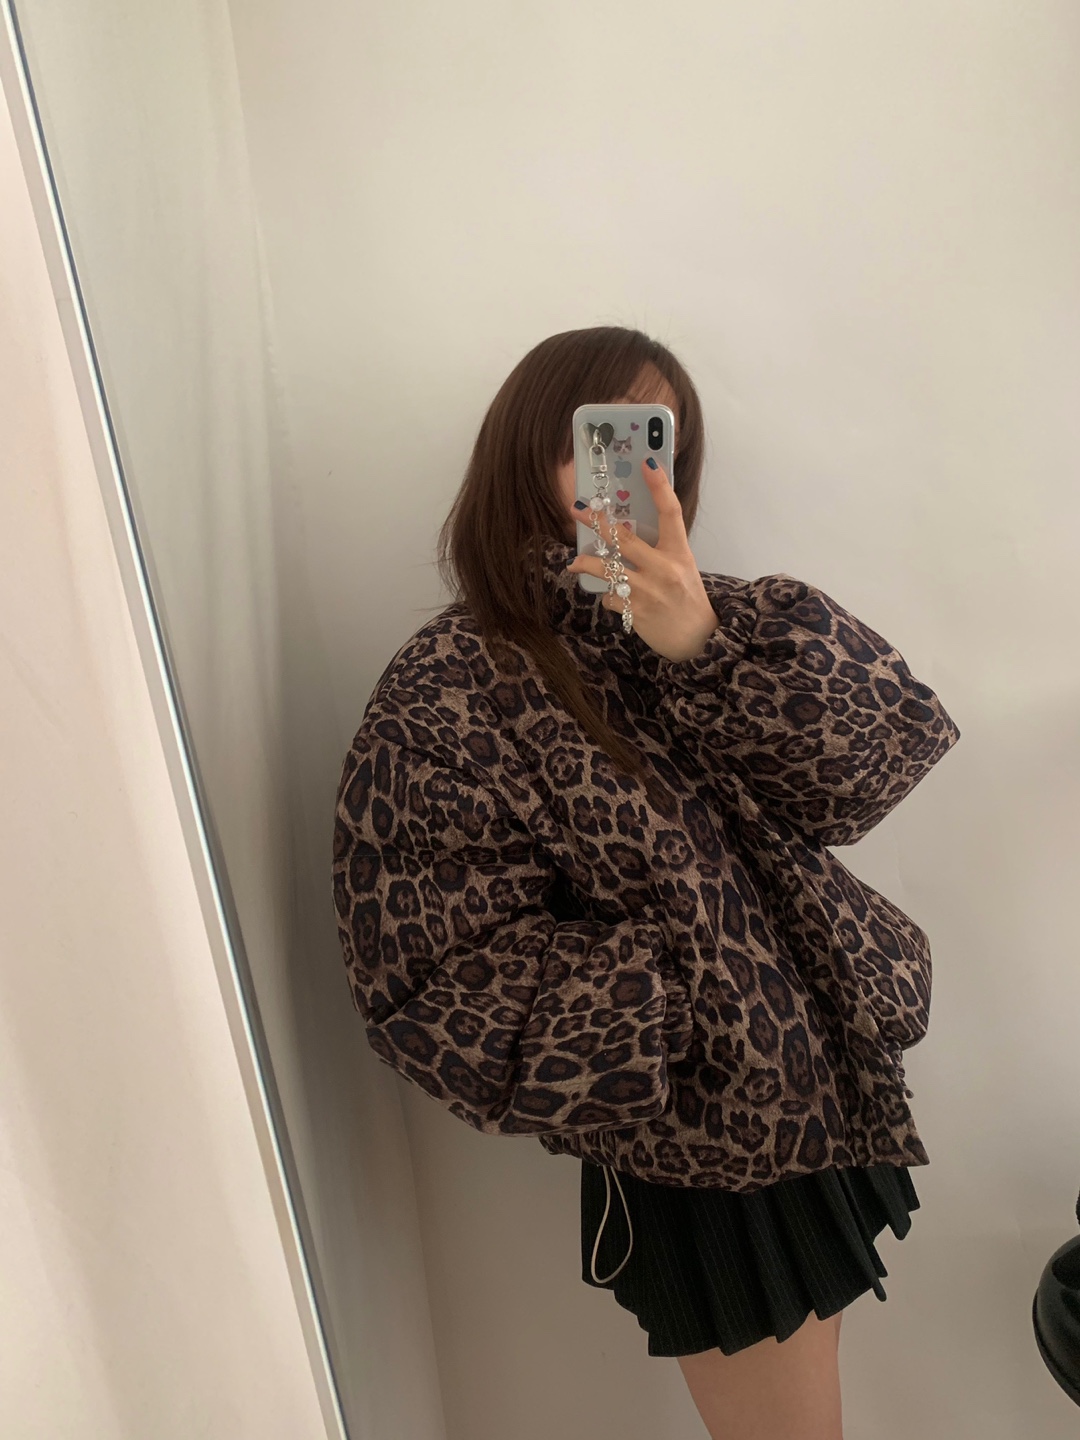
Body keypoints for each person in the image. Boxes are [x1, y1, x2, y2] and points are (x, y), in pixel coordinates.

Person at [332, 326, 960, 1440]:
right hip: (697, 1146)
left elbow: (869, 769)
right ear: (529, 449)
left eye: (657, 442)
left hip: (823, 1105)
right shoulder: (453, 686)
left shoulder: (720, 620)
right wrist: (692, 1002)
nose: (636, 470)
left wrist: (703, 647)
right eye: (605, 436)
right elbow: (434, 972)